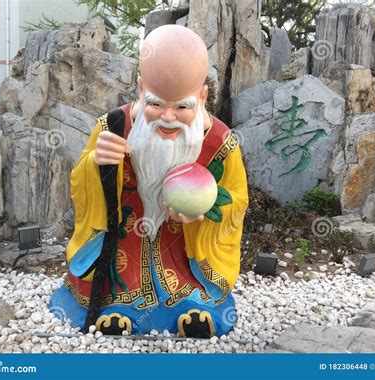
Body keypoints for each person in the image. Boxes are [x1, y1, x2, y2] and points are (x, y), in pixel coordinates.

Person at [50, 24, 248, 338]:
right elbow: (80, 183)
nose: (168, 117)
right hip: (123, 246)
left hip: (184, 252)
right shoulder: (113, 126)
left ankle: (189, 304)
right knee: (114, 286)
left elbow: (237, 201)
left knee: (196, 294)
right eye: (156, 104)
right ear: (141, 89)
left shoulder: (220, 142)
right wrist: (96, 163)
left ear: (202, 95)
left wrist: (207, 212)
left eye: (182, 106)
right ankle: (117, 305)